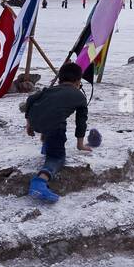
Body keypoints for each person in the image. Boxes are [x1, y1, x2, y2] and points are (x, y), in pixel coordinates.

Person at [23, 61, 92, 203]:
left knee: (56, 115)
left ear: (60, 79)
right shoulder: (79, 96)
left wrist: (29, 124)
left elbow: (30, 99)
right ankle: (39, 183)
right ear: (78, 81)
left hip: (36, 121)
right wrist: (80, 144)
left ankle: (46, 145)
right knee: (57, 158)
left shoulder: (50, 89)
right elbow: (81, 122)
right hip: (52, 127)